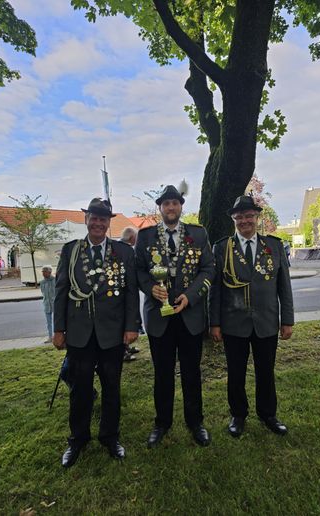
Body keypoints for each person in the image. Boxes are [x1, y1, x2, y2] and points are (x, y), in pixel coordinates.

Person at [53, 198, 140, 467]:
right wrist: (58, 329)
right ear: (86, 220)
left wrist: (131, 326)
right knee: (79, 389)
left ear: (108, 222)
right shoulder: (71, 251)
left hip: (112, 333)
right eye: (94, 217)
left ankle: (110, 437)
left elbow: (130, 292)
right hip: (79, 334)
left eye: (104, 219)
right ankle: (78, 439)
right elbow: (60, 291)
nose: (99, 223)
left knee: (112, 387)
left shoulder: (123, 252)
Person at [135, 184, 215, 448]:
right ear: (160, 207)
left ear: (181, 206)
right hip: (159, 318)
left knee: (192, 372)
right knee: (163, 373)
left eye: (175, 203)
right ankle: (162, 423)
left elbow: (208, 270)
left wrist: (190, 296)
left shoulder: (198, 234)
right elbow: (139, 272)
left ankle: (196, 422)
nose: (171, 207)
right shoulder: (145, 237)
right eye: (166, 203)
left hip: (189, 315)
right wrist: (151, 288)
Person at [209, 195, 294, 438]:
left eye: (249, 216)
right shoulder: (221, 248)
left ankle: (268, 414)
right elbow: (215, 290)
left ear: (257, 217)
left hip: (266, 321)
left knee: (265, 371)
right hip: (233, 323)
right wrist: (214, 322)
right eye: (239, 217)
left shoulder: (274, 246)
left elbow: (284, 287)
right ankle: (238, 415)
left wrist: (287, 320)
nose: (244, 221)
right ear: (233, 220)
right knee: (235, 372)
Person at [120, 226, 142, 362]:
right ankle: (123, 352)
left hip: (127, 291)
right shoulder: (122, 249)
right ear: (132, 238)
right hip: (121, 294)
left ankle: (126, 347)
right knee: (123, 323)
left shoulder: (123, 246)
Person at [40, 265, 55, 343]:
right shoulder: (42, 282)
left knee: (56, 321)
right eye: (43, 272)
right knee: (48, 322)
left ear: (49, 272)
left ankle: (57, 336)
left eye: (45, 272)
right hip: (46, 304)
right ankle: (50, 337)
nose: (43, 273)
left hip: (55, 304)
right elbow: (43, 292)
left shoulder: (55, 280)